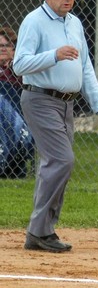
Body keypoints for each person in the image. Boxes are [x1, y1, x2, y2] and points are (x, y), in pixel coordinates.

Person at [12, 0, 98, 252]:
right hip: (40, 99)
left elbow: (86, 68)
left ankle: (44, 231)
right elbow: (19, 65)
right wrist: (54, 55)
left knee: (55, 167)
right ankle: (38, 231)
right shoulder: (34, 21)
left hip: (67, 103)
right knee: (62, 160)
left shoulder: (75, 23)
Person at [0, 26, 34, 179]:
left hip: (18, 115)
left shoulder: (20, 70)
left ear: (14, 48)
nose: (2, 49)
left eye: (5, 45)